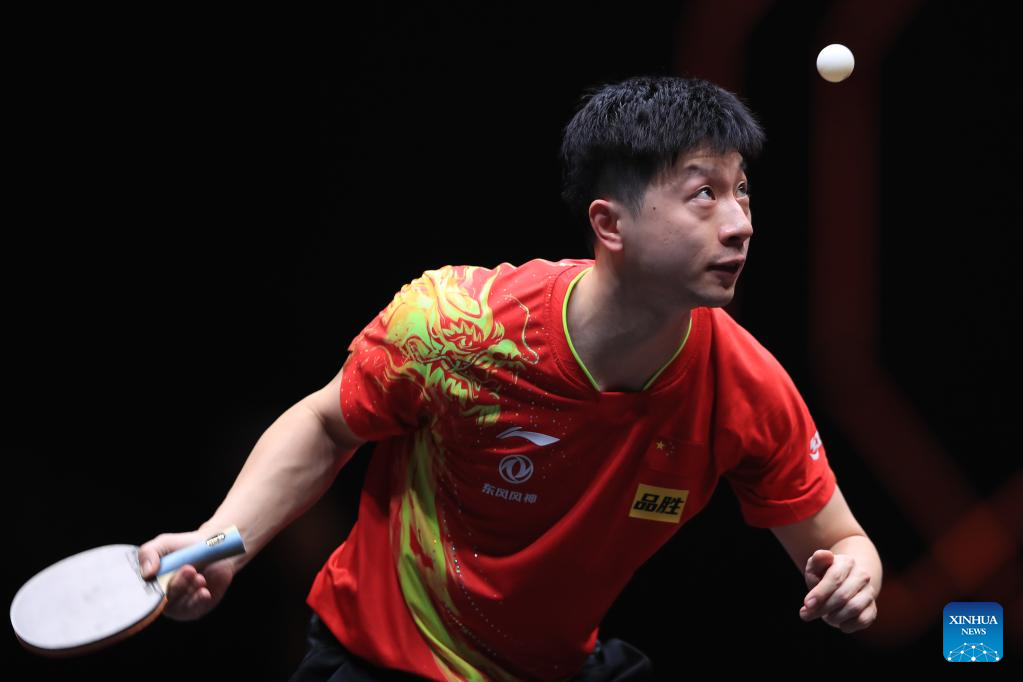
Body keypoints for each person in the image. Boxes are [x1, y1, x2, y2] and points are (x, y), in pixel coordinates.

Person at [139, 76, 882, 681]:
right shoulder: (459, 328)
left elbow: (842, 540)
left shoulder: (747, 387)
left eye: (742, 191)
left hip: (553, 669)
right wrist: (221, 541)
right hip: (383, 663)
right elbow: (327, 424)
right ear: (610, 224)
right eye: (704, 194)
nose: (740, 222)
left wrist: (854, 573)